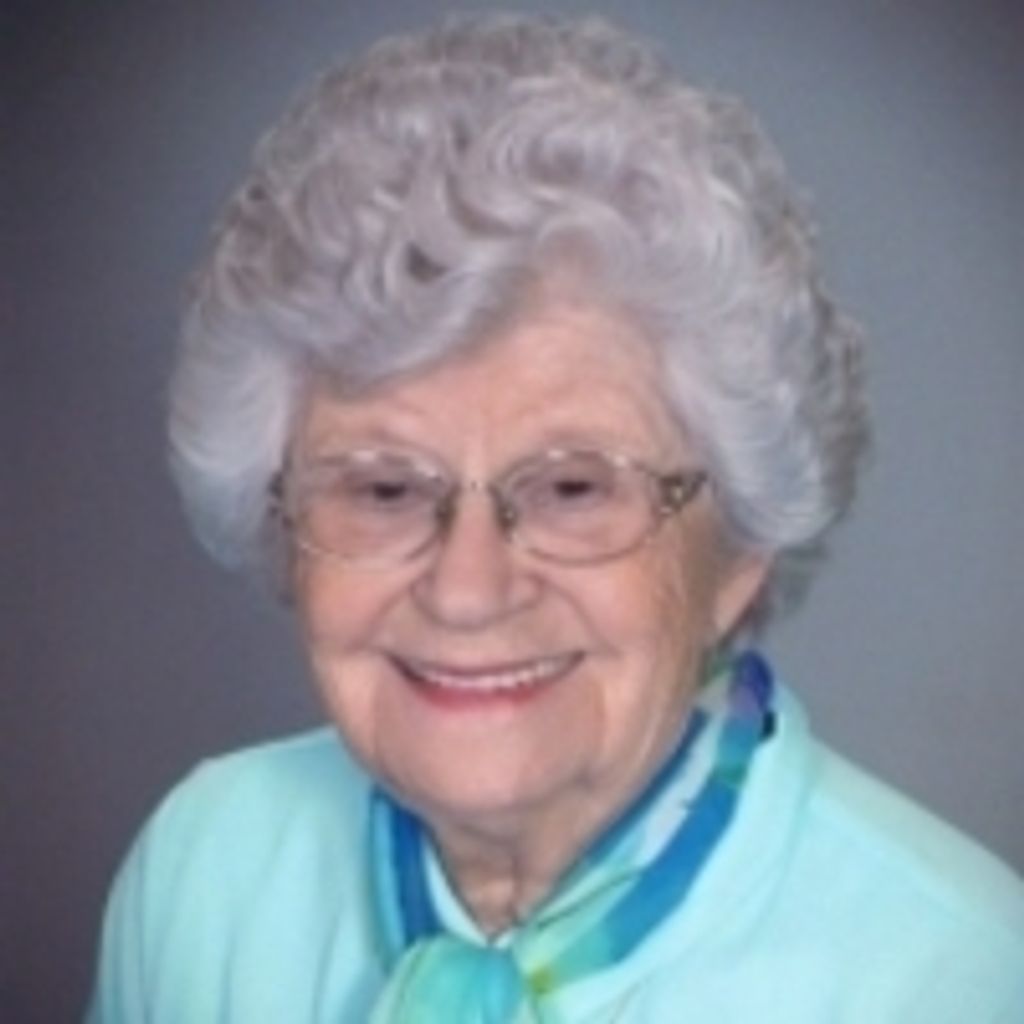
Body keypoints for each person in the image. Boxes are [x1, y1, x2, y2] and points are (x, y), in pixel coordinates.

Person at [87, 13, 1024, 1022]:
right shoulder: (204, 870)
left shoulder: (952, 977)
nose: (466, 590)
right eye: (384, 489)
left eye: (574, 488)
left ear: (739, 548)